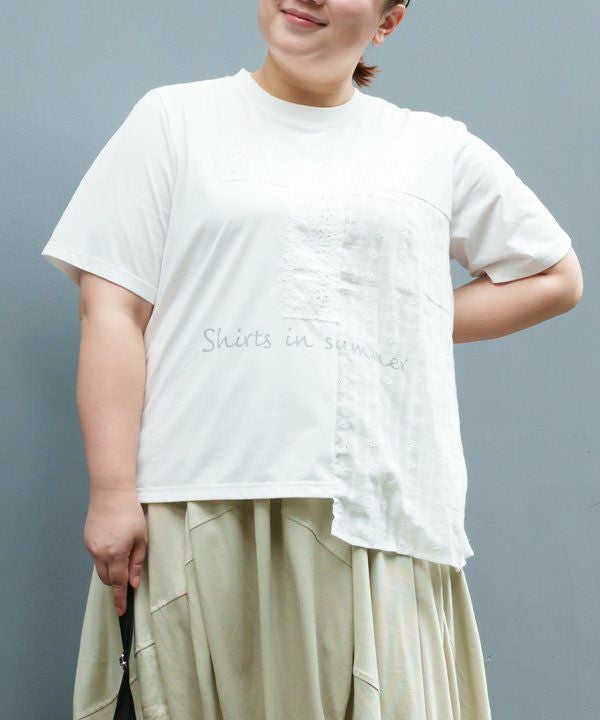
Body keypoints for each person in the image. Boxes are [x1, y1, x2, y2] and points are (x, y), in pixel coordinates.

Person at [41, 1, 583, 718]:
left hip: (376, 504)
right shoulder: (174, 120)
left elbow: (555, 277)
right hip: (201, 492)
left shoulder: (432, 147)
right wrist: (111, 491)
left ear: (388, 21)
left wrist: (393, 317)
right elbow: (111, 310)